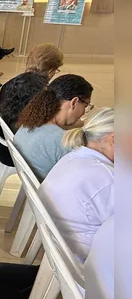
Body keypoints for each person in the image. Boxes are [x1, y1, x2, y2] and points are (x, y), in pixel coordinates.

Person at [39, 107, 114, 262]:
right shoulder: (108, 178)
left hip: (61, 249)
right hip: (88, 263)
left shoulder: (74, 157)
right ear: (114, 139)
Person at [14, 74, 93, 180]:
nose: (83, 112)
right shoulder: (62, 142)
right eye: (85, 106)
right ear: (74, 102)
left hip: (37, 188)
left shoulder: (29, 122)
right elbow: (88, 177)